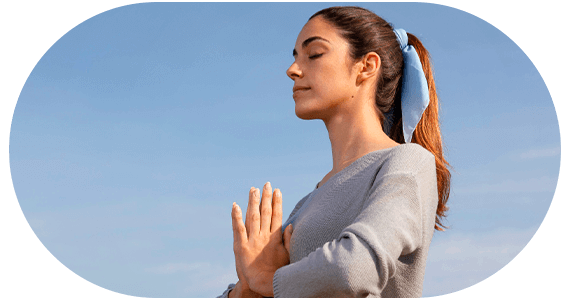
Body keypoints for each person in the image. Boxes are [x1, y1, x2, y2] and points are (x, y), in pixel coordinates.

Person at [218, 5, 451, 298]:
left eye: (314, 54)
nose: (293, 70)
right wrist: (245, 290)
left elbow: (355, 268)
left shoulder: (407, 162)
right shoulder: (307, 204)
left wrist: (267, 280)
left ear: (366, 66)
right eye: (295, 58)